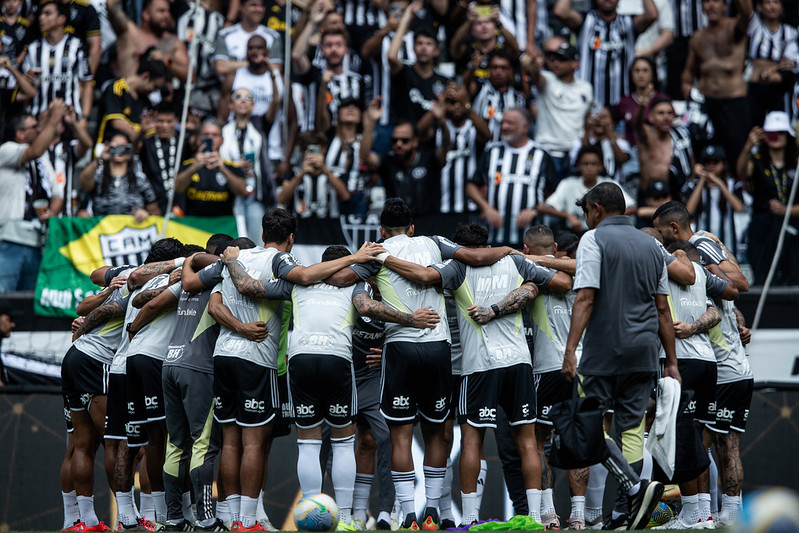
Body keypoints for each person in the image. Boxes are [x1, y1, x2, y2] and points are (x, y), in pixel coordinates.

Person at [222, 243, 440, 530]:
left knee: (309, 444)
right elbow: (365, 307)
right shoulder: (355, 284)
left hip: (300, 360)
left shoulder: (295, 283)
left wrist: (232, 261)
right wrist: (410, 319)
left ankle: (310, 514)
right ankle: (347, 519)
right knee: (343, 443)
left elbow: (248, 287)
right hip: (336, 359)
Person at [561, 182, 679, 531]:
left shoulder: (593, 239)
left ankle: (633, 487)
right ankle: (623, 514)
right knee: (630, 430)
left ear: (596, 208)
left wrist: (570, 350)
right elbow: (662, 309)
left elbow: (585, 298)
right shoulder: (652, 245)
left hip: (604, 350)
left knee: (589, 425)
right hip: (645, 351)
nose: (585, 219)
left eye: (586, 212)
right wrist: (671, 361)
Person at [0, 99, 66, 292]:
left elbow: (57, 193)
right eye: (34, 127)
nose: (40, 130)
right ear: (20, 133)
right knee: (4, 300)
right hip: (9, 240)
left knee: (29, 305)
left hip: (38, 242)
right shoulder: (6, 150)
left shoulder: (42, 159)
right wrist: (54, 118)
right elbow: (35, 149)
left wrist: (52, 212)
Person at [681, 0, 754, 175]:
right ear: (702, 6)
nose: (711, 5)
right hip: (706, 105)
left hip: (734, 103)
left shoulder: (735, 28)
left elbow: (747, 13)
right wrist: (690, 96)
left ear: (725, 5)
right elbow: (688, 74)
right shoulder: (698, 37)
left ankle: (738, 195)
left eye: (716, 0)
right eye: (706, 1)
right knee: (705, 156)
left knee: (737, 154)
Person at [467, 107, 556, 245]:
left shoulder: (541, 155)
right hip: (493, 237)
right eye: (503, 122)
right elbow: (472, 186)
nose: (504, 126)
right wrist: (486, 207)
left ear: (525, 127)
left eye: (510, 123)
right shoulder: (491, 151)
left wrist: (535, 210)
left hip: (531, 239)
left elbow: (555, 192)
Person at [554, 0, 658, 106]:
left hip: (623, 103)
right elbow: (560, 11)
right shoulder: (586, 20)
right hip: (587, 103)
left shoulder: (628, 22)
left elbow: (652, 15)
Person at [736, 111, 799, 284]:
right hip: (763, 225)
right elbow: (742, 172)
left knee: (792, 275)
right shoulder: (757, 160)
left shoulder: (796, 162)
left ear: (788, 135)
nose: (776, 137)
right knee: (762, 275)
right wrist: (748, 145)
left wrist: (786, 210)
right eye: (772, 133)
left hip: (791, 227)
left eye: (781, 133)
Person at [527, 39, 594, 183]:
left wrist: (584, 145)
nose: (556, 63)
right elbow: (536, 77)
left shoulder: (586, 87)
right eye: (554, 59)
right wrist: (534, 66)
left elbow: (587, 119)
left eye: (562, 59)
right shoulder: (548, 80)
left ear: (575, 63)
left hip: (574, 153)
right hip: (548, 151)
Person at [360, 98, 440, 217]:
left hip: (428, 222)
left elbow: (446, 147)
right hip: (397, 226)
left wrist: (442, 119)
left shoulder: (429, 159)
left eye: (404, 140)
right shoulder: (388, 161)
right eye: (395, 140)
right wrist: (371, 123)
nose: (398, 144)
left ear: (415, 142)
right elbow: (365, 156)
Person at [221, 87, 277, 243]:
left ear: (253, 106)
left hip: (255, 193)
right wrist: (234, 166)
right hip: (230, 194)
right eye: (238, 96)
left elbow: (277, 102)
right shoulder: (223, 131)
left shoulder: (260, 129)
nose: (243, 100)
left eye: (248, 97)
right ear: (231, 105)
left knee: (256, 240)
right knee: (233, 239)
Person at [539, 145, 636, 234]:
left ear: (601, 166)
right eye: (585, 164)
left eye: (594, 164)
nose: (589, 168)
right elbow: (543, 207)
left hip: (606, 233)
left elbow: (632, 207)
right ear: (578, 165)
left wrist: (608, 219)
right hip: (575, 234)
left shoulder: (609, 184)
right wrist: (568, 216)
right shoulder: (568, 184)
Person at [23, 0, 92, 119]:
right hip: (39, 119)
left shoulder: (76, 46)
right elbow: (26, 87)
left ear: (61, 19)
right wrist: (26, 78)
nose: (41, 17)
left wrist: (84, 118)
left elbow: (87, 83)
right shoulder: (33, 49)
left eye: (47, 14)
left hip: (69, 118)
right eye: (41, 14)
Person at [684, 144, 748, 257]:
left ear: (723, 164)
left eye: (715, 162)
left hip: (728, 242)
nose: (711, 166)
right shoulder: (695, 186)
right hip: (702, 243)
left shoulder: (733, 184)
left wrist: (719, 183)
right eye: (707, 162)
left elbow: (739, 207)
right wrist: (702, 180)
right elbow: (689, 210)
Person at [79, 133, 161, 221]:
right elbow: (84, 183)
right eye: (114, 147)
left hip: (132, 231)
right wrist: (100, 158)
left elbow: (155, 212)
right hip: (102, 231)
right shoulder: (98, 176)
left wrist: (146, 214)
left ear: (130, 151)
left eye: (123, 147)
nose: (119, 150)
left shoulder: (139, 179)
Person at [175, 119, 248, 217]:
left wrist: (222, 169)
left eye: (215, 135)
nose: (210, 138)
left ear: (222, 140)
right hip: (193, 225)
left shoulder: (231, 166)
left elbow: (242, 191)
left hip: (223, 225)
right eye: (206, 135)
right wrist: (195, 167)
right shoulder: (188, 165)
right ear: (198, 139)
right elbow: (177, 188)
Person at [105, 0, 189, 82]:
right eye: (161, 11)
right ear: (146, 14)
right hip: (128, 93)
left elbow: (190, 76)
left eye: (168, 11)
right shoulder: (129, 33)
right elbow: (111, 4)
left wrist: (165, 61)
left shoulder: (172, 41)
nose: (166, 15)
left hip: (161, 94)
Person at [745, 0, 798, 129]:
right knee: (754, 127)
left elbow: (791, 64)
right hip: (755, 88)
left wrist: (772, 69)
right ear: (760, 7)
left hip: (780, 90)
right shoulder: (754, 26)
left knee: (779, 129)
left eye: (776, 2)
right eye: (767, 2)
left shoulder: (790, 32)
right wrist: (778, 64)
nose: (772, 6)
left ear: (782, 6)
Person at [96, 57, 168, 143]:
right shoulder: (116, 89)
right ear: (146, 77)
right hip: (107, 145)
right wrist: (141, 131)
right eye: (155, 86)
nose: (154, 91)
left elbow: (150, 130)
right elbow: (117, 123)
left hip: (133, 150)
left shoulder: (146, 100)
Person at [634, 94, 693, 199]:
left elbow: (690, 164)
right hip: (649, 197)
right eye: (661, 113)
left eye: (670, 113)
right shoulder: (647, 135)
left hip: (673, 196)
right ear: (651, 117)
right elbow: (637, 125)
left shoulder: (680, 136)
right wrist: (642, 107)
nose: (666, 117)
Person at [470, 49, 529, 144]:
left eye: (503, 68)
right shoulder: (479, 89)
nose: (498, 72)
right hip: (480, 150)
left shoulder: (518, 98)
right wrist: (472, 68)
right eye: (494, 67)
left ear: (511, 71)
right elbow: (465, 86)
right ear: (488, 69)